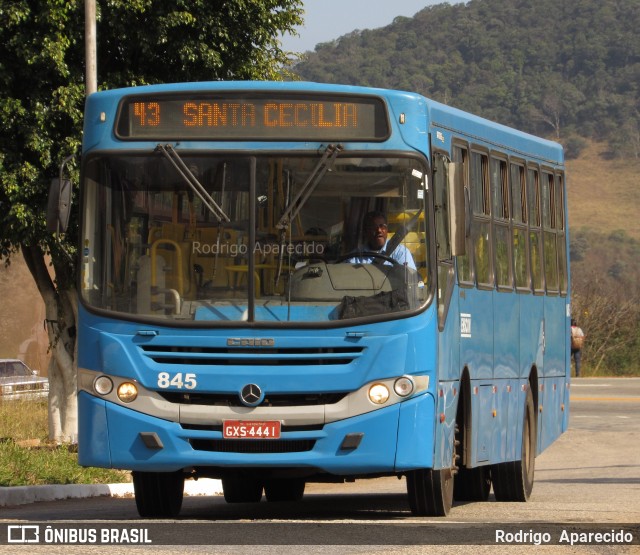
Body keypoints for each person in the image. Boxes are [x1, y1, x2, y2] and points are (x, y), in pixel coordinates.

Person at [347, 211, 416, 270]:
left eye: (382, 226)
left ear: (387, 230)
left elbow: (408, 280)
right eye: (373, 227)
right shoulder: (354, 257)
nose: (379, 230)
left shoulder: (400, 252)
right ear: (365, 232)